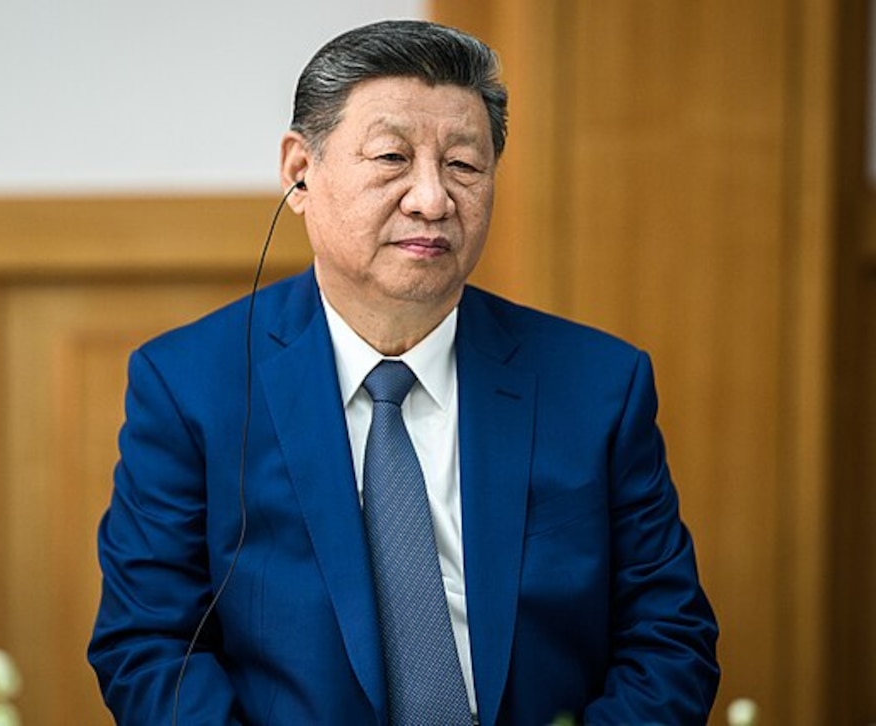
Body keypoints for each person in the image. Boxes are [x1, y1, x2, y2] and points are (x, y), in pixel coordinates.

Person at [88, 19, 719, 725]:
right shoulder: (188, 387)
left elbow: (669, 640)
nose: (432, 199)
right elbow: (150, 647)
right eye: (392, 157)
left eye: (464, 166)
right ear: (300, 170)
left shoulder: (599, 385)